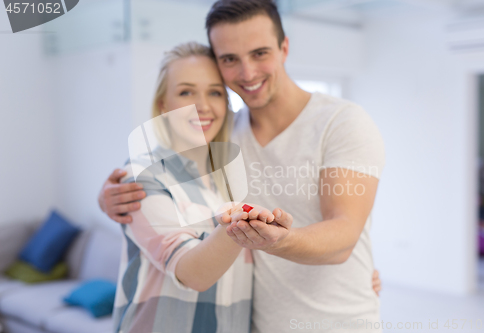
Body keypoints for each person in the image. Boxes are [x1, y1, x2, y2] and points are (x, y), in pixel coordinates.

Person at [100, 1, 385, 332]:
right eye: (230, 59)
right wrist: (108, 197)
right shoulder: (222, 134)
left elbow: (344, 234)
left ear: (284, 48)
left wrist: (274, 239)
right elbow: (164, 177)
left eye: (260, 53)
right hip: (256, 323)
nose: (247, 73)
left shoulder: (343, 122)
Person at [111, 42, 272, 333]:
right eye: (186, 92)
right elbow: (192, 273)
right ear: (163, 104)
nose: (204, 106)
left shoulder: (229, 178)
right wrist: (239, 224)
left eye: (215, 92)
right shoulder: (141, 175)